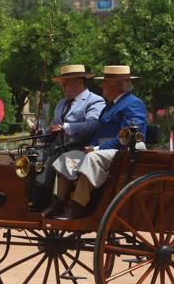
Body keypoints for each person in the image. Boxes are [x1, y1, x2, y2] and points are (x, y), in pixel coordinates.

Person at [51, 65, 148, 219]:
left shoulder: (133, 103)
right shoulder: (109, 106)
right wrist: (91, 146)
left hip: (128, 149)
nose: (102, 86)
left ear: (117, 85)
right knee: (67, 159)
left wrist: (97, 148)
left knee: (92, 158)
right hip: (107, 150)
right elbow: (99, 131)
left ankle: (78, 206)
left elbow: (126, 136)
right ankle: (59, 203)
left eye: (105, 82)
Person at [43, 64, 105, 216]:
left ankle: (57, 202)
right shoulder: (61, 104)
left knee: (53, 164)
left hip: (80, 149)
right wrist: (42, 132)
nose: (63, 86)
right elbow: (53, 127)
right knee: (32, 161)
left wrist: (67, 127)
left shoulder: (95, 101)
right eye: (62, 83)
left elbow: (92, 125)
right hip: (56, 147)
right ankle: (35, 201)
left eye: (67, 82)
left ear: (80, 82)